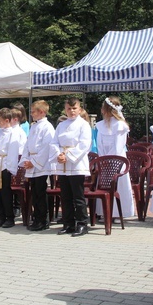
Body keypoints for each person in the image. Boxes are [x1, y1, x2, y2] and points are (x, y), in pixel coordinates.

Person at [53, 97, 92, 237]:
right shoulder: (61, 125)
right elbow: (54, 142)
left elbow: (84, 144)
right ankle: (68, 223)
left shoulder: (84, 125)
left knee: (78, 196)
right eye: (69, 109)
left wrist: (68, 156)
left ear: (80, 109)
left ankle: (82, 224)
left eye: (74, 108)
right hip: (63, 164)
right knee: (65, 196)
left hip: (76, 164)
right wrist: (59, 154)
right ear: (65, 110)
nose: (72, 111)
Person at [95, 96, 135, 220]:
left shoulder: (120, 125)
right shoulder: (100, 125)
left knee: (118, 185)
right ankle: (104, 211)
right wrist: (103, 159)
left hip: (117, 160)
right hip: (104, 159)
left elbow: (119, 146)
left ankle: (118, 213)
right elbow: (99, 144)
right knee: (103, 185)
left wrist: (110, 160)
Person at [20, 100, 55, 231]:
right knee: (34, 192)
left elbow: (47, 147)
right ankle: (36, 218)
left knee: (41, 193)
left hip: (41, 165)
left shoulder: (48, 127)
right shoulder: (33, 126)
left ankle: (43, 220)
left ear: (42, 112)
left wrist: (34, 162)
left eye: (33, 111)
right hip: (31, 162)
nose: (31, 114)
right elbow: (27, 145)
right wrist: (25, 159)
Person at [0, 108, 22, 228]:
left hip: (6, 165)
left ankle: (9, 217)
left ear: (7, 120)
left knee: (5, 192)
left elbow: (13, 152)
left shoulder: (13, 133)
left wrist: (10, 168)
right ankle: (0, 216)